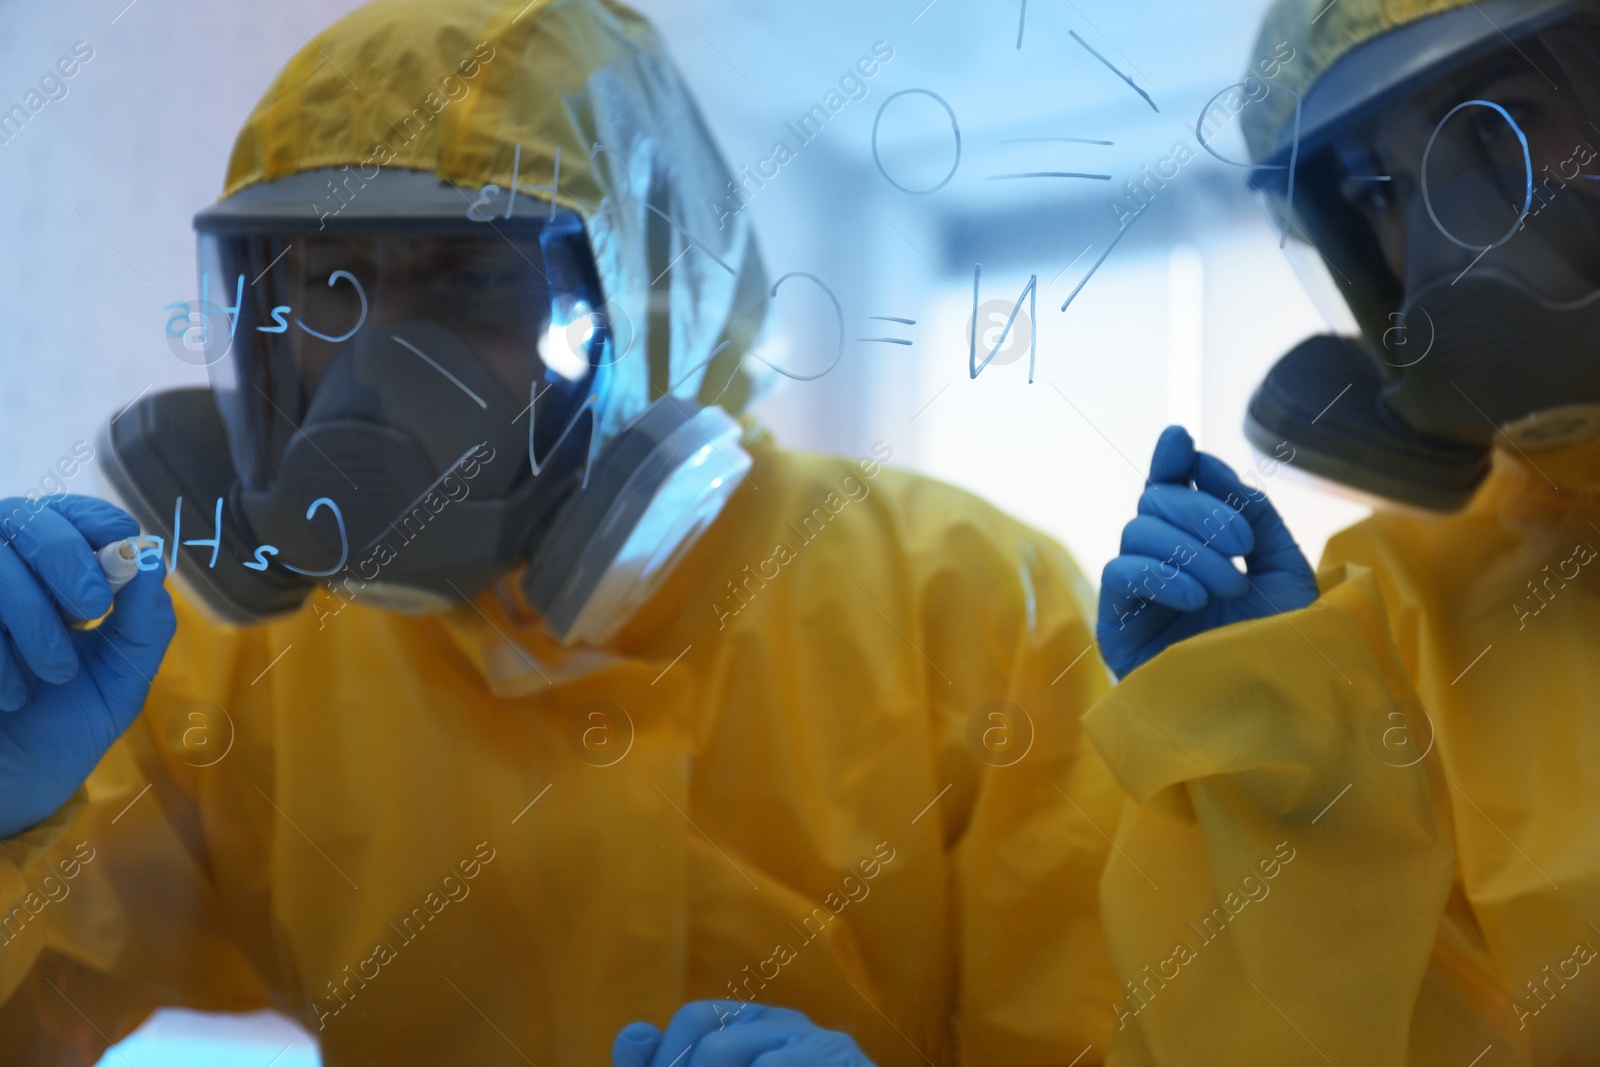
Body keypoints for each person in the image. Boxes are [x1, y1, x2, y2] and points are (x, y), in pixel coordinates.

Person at [0, 0, 1125, 1063]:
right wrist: (8, 813)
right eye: (328, 285)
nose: (372, 376)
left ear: (651, 300)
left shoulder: (978, 608)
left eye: (476, 280)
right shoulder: (242, 675)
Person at [1092, 0, 1600, 1063]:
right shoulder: (1393, 628)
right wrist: (1279, 769)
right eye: (1378, 187)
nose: (1440, 228)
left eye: (1502, 117)